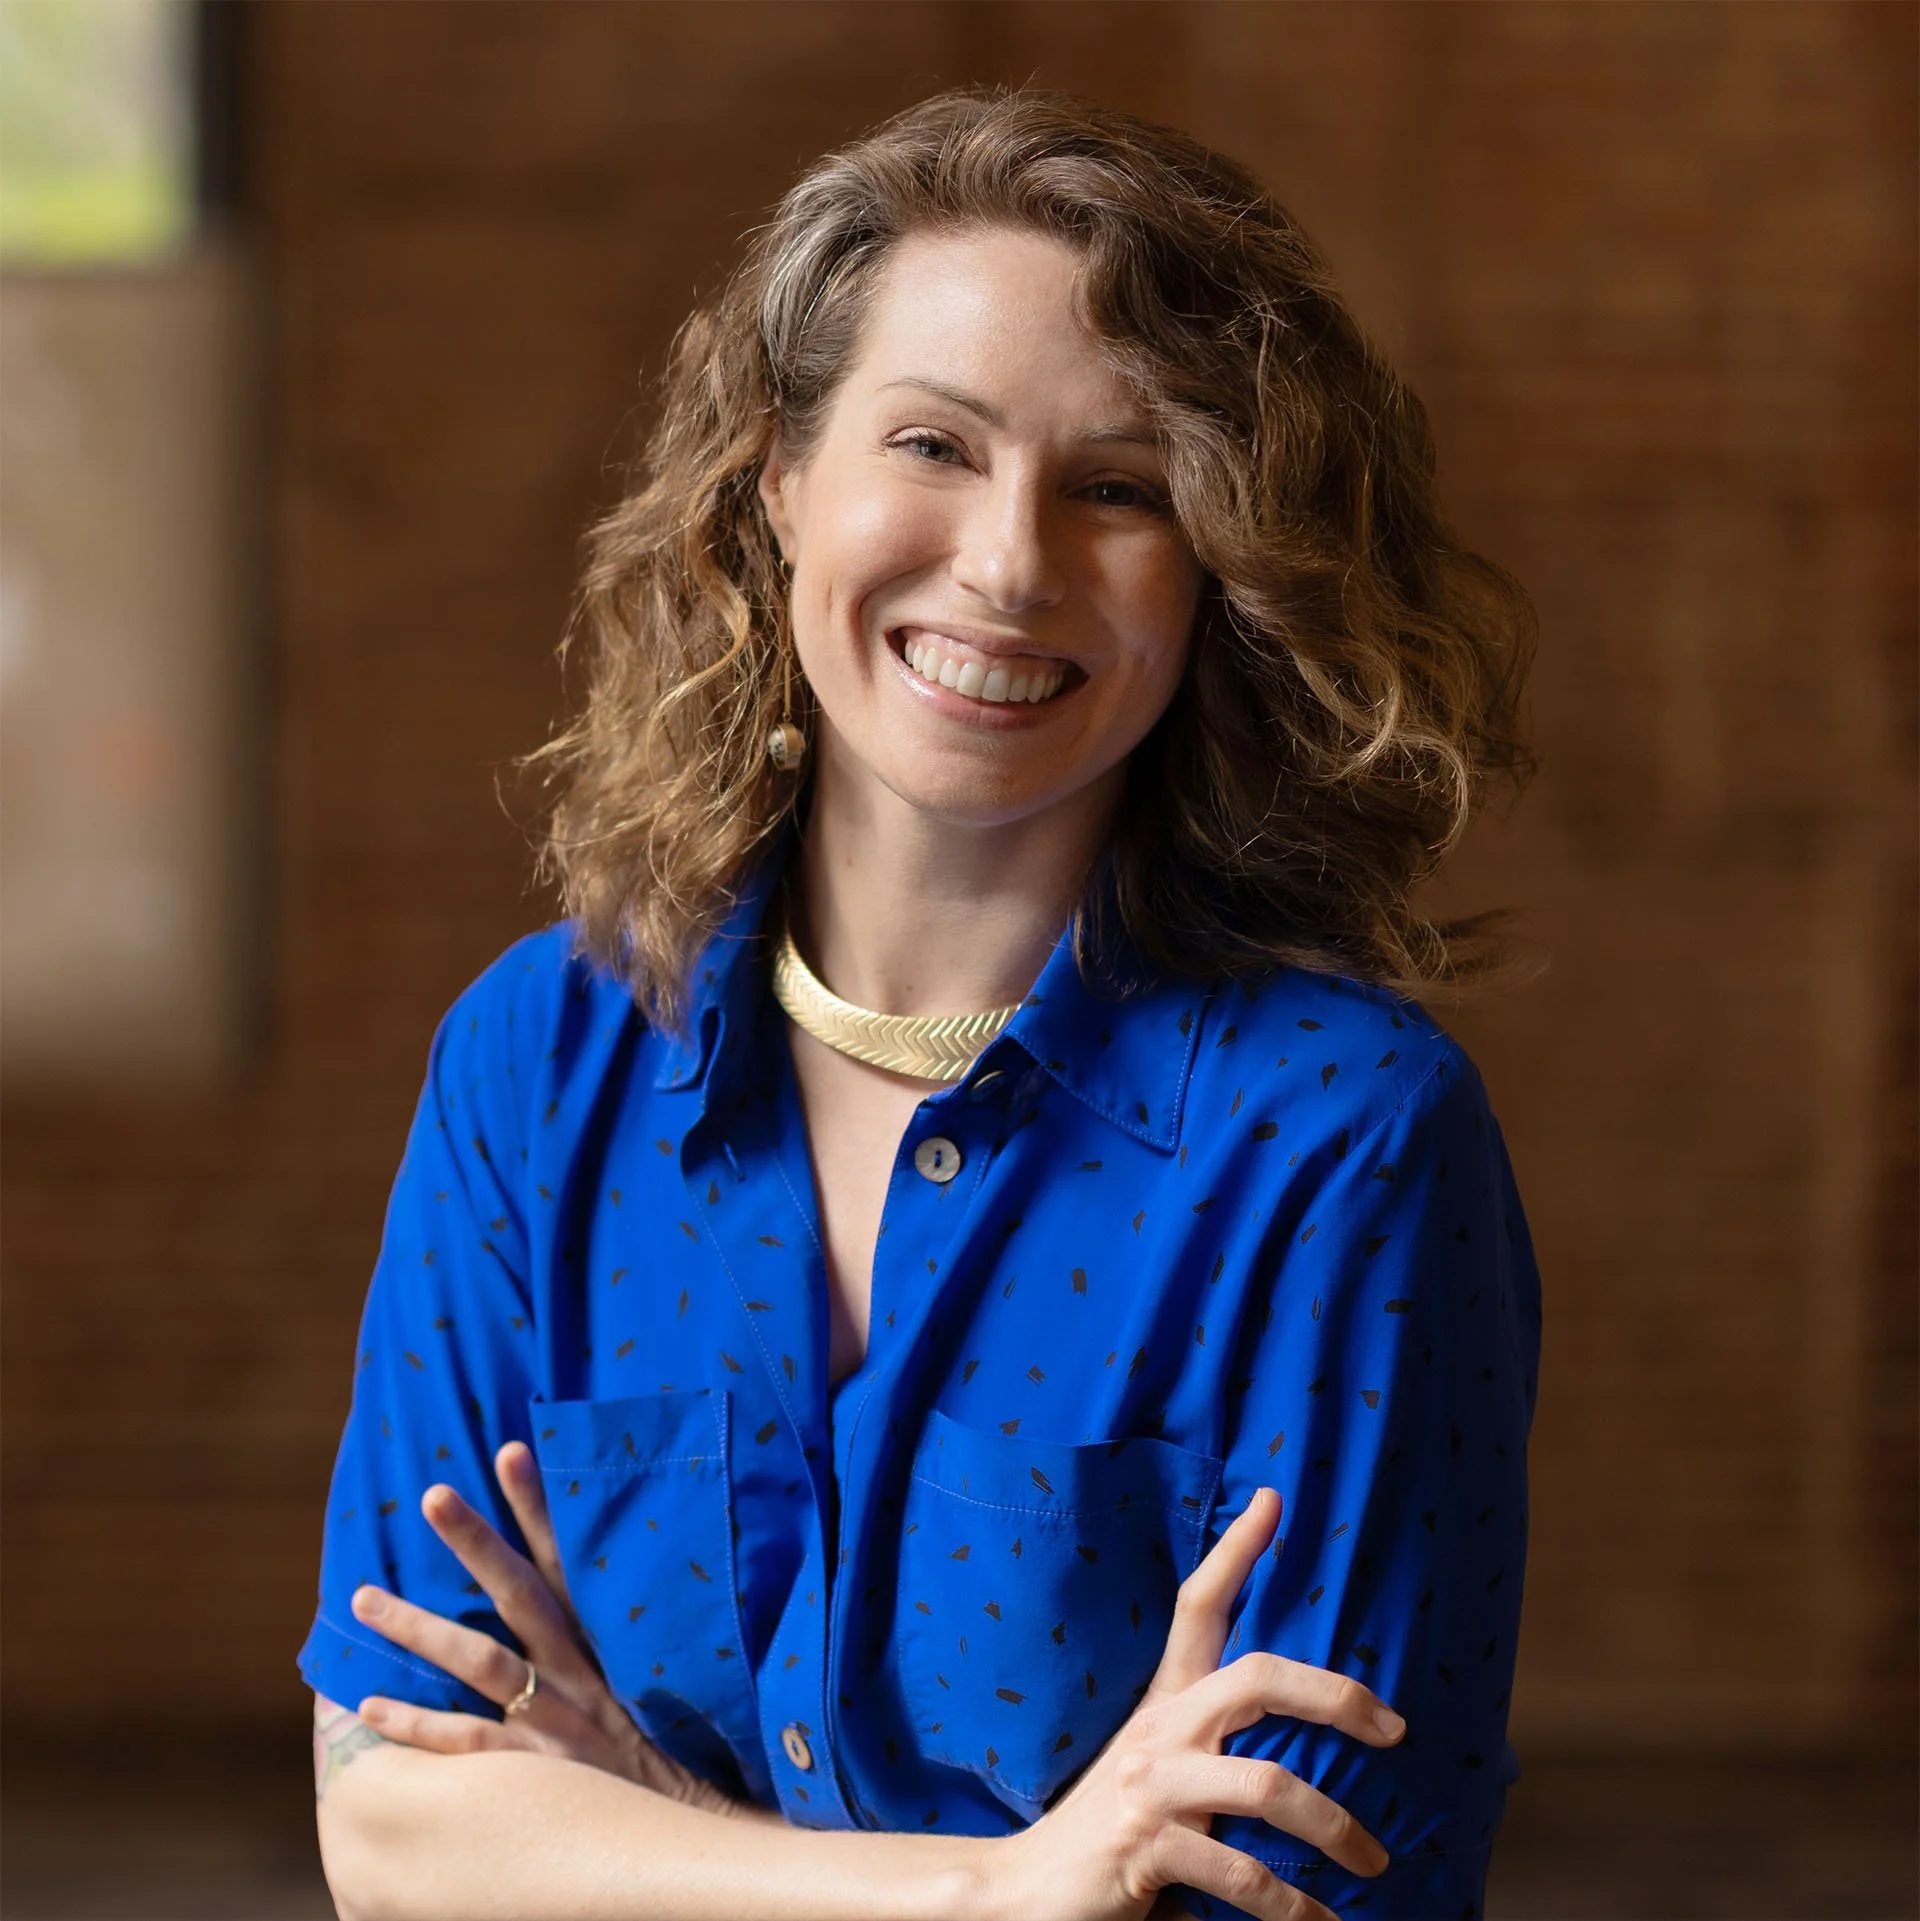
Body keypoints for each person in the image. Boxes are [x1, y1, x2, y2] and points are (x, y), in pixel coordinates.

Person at [304, 87, 1542, 1921]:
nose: (1011, 560)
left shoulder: (1339, 1150)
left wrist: (636, 1850)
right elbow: (391, 1825)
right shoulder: (536, 1063)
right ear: (780, 479)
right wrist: (1001, 1888)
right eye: (935, 444)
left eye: (1121, 489)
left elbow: (1304, 1895)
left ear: (1218, 577)